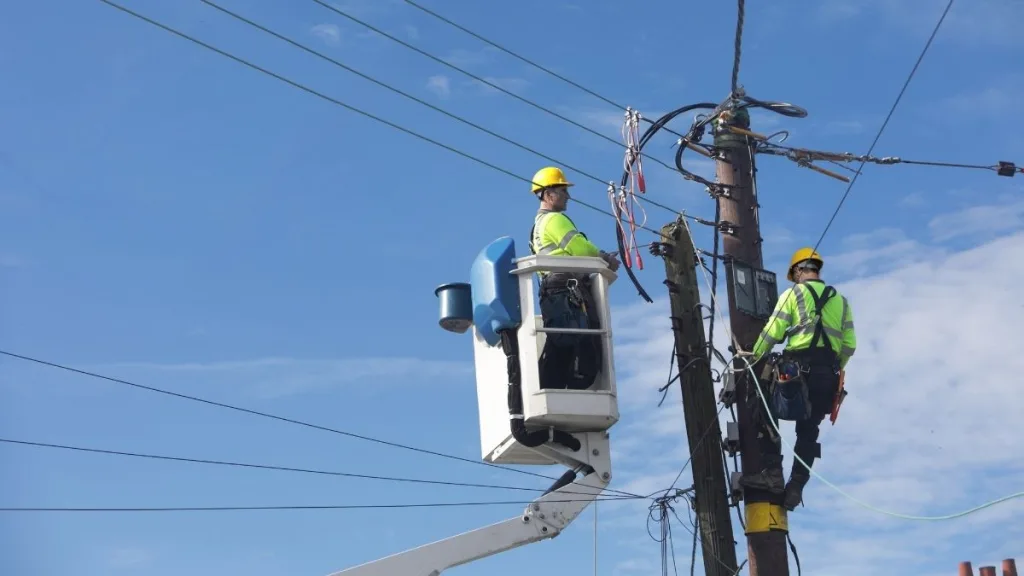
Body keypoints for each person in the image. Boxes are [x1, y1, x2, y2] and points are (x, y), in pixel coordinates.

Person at [742, 247, 857, 511]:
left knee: (762, 404)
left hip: (795, 373)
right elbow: (850, 345)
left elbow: (773, 332)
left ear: (797, 271)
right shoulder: (841, 301)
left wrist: (753, 357)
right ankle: (796, 485)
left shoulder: (793, 294)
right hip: (827, 377)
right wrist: (834, 368)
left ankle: (772, 473)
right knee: (808, 431)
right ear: (817, 269)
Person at [527, 166, 620, 390]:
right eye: (563, 191)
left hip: (553, 292)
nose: (568, 196)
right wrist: (605, 258)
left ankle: (553, 388)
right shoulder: (554, 219)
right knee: (579, 343)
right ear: (548, 194)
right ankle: (564, 387)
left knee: (562, 344)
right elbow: (580, 248)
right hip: (566, 290)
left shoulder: (537, 226)